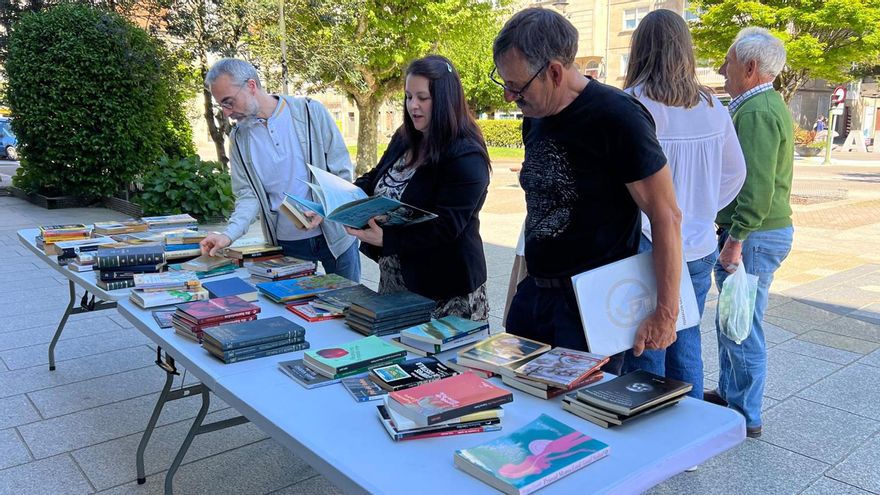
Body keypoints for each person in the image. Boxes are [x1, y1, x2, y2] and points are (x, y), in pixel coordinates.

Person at [492, 8, 683, 363]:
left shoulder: (618, 116)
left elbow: (666, 214)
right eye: (504, 83)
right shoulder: (535, 117)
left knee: (577, 416)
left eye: (516, 87)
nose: (508, 96)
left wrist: (665, 313)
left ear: (554, 72)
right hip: (535, 295)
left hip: (590, 308)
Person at [620, 10, 747, 399]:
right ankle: (690, 433)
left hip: (646, 238)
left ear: (640, 50)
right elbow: (736, 173)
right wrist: (702, 209)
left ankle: (650, 430)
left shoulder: (632, 104)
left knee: (646, 341)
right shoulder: (712, 105)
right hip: (698, 243)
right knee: (686, 335)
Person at [345, 55, 491, 320]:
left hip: (445, 292)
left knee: (437, 362)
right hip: (395, 281)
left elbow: (447, 227)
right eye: (408, 97)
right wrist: (339, 199)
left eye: (422, 98)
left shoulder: (466, 155)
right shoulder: (405, 136)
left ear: (445, 99)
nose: (413, 106)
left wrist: (389, 239)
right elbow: (375, 178)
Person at [199, 58, 361, 282]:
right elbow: (248, 196)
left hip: (336, 237)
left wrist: (324, 208)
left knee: (350, 309)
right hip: (287, 245)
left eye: (229, 102)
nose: (227, 112)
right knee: (297, 315)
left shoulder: (310, 112)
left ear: (251, 86)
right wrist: (228, 235)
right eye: (222, 105)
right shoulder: (239, 139)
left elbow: (341, 173)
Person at [708, 27, 794, 439]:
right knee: (733, 319)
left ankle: (745, 412)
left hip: (755, 235)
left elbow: (756, 188)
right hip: (760, 232)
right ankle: (730, 396)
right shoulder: (761, 103)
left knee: (743, 323)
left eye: (728, 62)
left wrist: (735, 239)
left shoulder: (757, 110)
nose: (722, 70)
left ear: (750, 66)